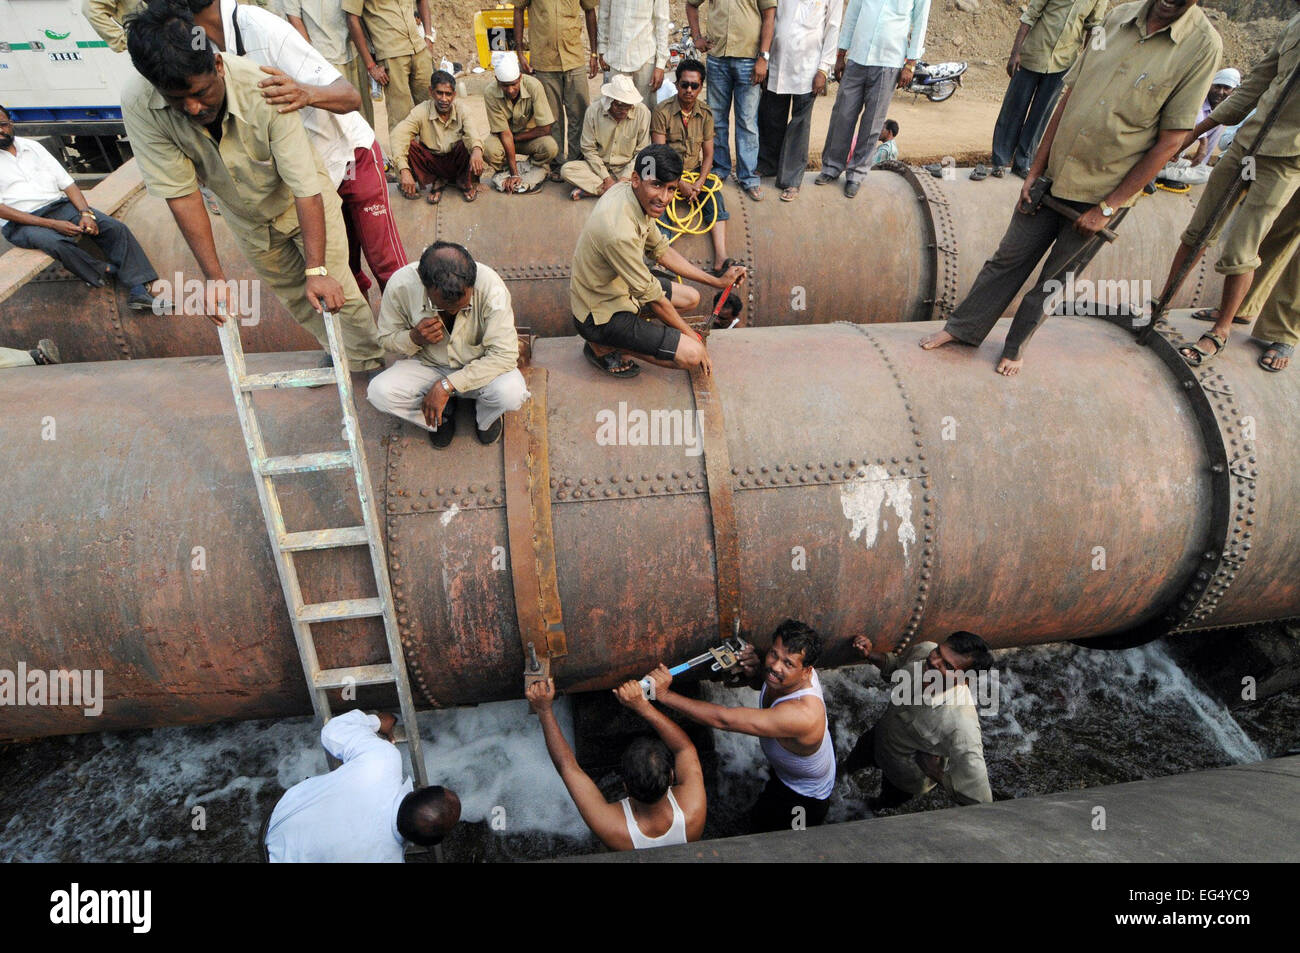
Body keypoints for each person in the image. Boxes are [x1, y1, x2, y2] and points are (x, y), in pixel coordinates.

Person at [920, 0, 1221, 376]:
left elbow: (1171, 140)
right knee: (1007, 259)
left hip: (1104, 189)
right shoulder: (1116, 18)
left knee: (1055, 279)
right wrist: (1034, 169)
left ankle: (1015, 348)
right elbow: (1067, 97)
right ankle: (964, 329)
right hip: (1055, 175)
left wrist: (1109, 207)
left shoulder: (1201, 46)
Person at [122, 3, 385, 372]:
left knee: (336, 287)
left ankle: (369, 363)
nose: (194, 108)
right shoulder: (139, 105)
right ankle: (340, 354)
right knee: (296, 299)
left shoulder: (263, 86)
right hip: (246, 217)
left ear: (216, 66)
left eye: (200, 93)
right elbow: (181, 194)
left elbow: (304, 184)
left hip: (303, 202)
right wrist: (214, 280)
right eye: (177, 100)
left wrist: (316, 270)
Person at [186, 0, 407, 296]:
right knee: (343, 276)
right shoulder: (197, 49)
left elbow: (349, 97)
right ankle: (366, 342)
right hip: (309, 180)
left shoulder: (263, 29)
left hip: (351, 157)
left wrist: (306, 93)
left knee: (388, 267)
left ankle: (414, 338)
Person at [1154, 5, 1300, 368]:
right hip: (1250, 144)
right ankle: (1166, 303)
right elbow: (1257, 83)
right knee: (1200, 230)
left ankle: (1229, 332)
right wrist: (1198, 131)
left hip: (1290, 158)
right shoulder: (1295, 23)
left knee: (1245, 247)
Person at [570, 143, 747, 378]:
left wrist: (717, 282)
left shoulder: (631, 194)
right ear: (636, 179)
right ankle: (602, 344)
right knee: (692, 355)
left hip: (619, 291)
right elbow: (653, 298)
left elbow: (661, 250)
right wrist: (692, 337)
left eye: (671, 188)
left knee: (691, 297)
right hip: (599, 314)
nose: (664, 198)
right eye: (656, 185)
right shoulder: (618, 232)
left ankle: (629, 336)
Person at [647, 620, 836, 832]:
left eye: (788, 664)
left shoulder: (802, 714)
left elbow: (724, 720)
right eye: (773, 654)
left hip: (804, 798)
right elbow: (763, 684)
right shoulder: (784, 675)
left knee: (791, 845)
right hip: (787, 772)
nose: (775, 666)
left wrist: (664, 695)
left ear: (807, 671)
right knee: (760, 820)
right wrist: (754, 673)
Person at [368, 242, 529, 448]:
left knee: (511, 393)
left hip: (479, 366)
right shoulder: (401, 285)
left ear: (473, 280)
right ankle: (440, 416)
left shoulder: (490, 286)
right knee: (379, 393)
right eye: (444, 307)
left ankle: (486, 417)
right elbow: (385, 338)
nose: (452, 312)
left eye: (461, 306)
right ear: (424, 285)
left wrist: (447, 385)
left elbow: (504, 355)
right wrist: (413, 338)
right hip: (429, 364)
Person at [0, 108, 159, 311]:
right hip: (21, 221)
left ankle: (138, 290)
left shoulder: (32, 147)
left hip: (58, 206)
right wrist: (53, 225)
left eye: (2, 124)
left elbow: (68, 184)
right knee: (55, 242)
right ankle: (103, 269)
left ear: (10, 123)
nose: (0, 131)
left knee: (112, 227)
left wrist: (86, 213)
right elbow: (2, 210)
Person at [525, 677, 707, 851]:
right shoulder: (693, 812)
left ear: (625, 787)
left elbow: (568, 767)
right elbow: (685, 749)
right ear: (671, 776)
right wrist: (643, 706)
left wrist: (544, 710)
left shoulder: (614, 828)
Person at [263, 709, 461, 862]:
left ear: (419, 790)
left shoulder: (382, 760)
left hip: (281, 815)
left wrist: (377, 721)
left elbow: (332, 731)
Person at [841, 632, 996, 811]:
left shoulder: (961, 725)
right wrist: (870, 655)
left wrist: (936, 773)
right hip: (878, 738)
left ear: (965, 680)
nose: (933, 662)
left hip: (906, 774)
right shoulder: (925, 650)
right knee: (850, 764)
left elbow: (981, 802)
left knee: (884, 803)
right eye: (939, 652)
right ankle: (840, 775)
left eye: (947, 666)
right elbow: (896, 665)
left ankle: (869, 810)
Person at [815, 0, 931, 199]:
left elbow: (920, 22)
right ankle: (831, 167)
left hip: (889, 61)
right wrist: (841, 52)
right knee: (842, 115)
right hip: (858, 57)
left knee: (872, 122)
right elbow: (853, 12)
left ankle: (856, 175)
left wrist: (910, 64)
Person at [993, 0, 1108, 180]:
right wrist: (1015, 53)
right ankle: (1000, 161)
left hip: (1063, 62)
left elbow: (1093, 28)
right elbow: (1030, 15)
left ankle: (1023, 163)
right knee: (1013, 109)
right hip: (1032, 54)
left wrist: (1087, 64)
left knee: (1041, 115)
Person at [687, 0, 776, 202]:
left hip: (749, 60)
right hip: (718, 58)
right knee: (716, 119)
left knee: (746, 121)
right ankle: (719, 169)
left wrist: (763, 57)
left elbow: (769, 16)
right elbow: (691, 5)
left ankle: (749, 177)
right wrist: (697, 38)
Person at [652, 59, 732, 276]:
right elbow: (659, 154)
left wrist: (697, 184)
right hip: (666, 172)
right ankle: (662, 261)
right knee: (660, 203)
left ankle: (721, 257)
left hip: (694, 172)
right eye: (684, 84)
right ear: (677, 84)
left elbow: (708, 155)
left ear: (701, 86)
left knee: (715, 198)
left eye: (694, 86)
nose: (689, 90)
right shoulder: (662, 111)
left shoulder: (706, 113)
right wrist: (679, 184)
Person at [756, 0, 841, 203]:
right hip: (777, 60)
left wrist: (823, 69)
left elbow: (833, 27)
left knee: (799, 125)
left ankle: (791, 179)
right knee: (771, 116)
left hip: (808, 67)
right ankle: (767, 165)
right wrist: (764, 58)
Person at [514, 0, 600, 172]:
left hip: (574, 58)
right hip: (544, 60)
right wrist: (520, 53)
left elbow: (590, 11)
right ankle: (557, 164)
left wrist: (593, 53)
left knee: (579, 113)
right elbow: (518, 9)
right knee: (551, 118)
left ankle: (577, 161)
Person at [282, 0, 376, 143]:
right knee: (339, 121)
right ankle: (350, 161)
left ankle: (370, 157)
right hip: (324, 57)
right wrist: (312, 56)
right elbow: (294, 18)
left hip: (353, 51)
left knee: (363, 112)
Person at [392, 71, 485, 204]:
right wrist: (404, 170)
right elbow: (398, 135)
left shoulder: (462, 110)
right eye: (439, 93)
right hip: (432, 162)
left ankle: (464, 180)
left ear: (454, 95)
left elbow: (473, 132)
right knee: (410, 145)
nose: (444, 99)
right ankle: (437, 180)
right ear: (431, 91)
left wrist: (477, 150)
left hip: (456, 161)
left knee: (471, 145)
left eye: (448, 94)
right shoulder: (421, 111)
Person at [343, 0, 435, 134]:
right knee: (401, 116)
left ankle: (432, 153)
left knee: (431, 109)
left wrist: (428, 36)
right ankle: (404, 155)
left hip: (419, 48)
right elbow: (352, 19)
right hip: (391, 55)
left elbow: (422, 2)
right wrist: (371, 65)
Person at [562, 74, 652, 201]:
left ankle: (597, 191)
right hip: (599, 168)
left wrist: (625, 177)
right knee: (567, 169)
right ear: (610, 100)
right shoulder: (593, 111)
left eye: (628, 106)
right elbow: (588, 148)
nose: (624, 111)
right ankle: (620, 192)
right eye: (619, 106)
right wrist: (606, 178)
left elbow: (642, 152)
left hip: (628, 169)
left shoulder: (643, 113)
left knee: (651, 174)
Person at [482, 51, 560, 194]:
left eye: (513, 84)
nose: (510, 90)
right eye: (505, 86)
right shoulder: (490, 92)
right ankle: (510, 171)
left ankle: (530, 167)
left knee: (550, 147)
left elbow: (545, 129)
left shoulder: (534, 86)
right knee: (488, 149)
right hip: (503, 138)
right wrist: (514, 174)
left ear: (520, 77)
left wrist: (514, 138)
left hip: (528, 138)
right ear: (497, 80)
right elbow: (504, 133)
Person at [597, 0, 670, 113]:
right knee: (615, 110)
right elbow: (603, 14)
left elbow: (662, 21)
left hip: (645, 59)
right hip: (616, 58)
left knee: (644, 111)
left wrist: (660, 64)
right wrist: (602, 48)